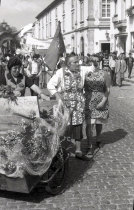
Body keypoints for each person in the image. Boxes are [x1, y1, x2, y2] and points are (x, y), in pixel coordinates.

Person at [47, 54, 93, 160]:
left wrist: (92, 62)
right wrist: (58, 97)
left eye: (78, 61)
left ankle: (78, 151)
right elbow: (50, 85)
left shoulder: (82, 70)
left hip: (78, 104)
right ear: (68, 64)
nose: (78, 64)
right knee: (64, 126)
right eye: (75, 62)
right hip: (64, 104)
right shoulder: (61, 72)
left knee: (78, 126)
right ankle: (61, 150)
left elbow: (92, 68)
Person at [84, 58, 111, 157]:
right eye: (92, 62)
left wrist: (103, 101)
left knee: (99, 121)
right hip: (88, 101)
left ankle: (98, 138)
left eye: (96, 62)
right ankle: (89, 145)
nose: (94, 64)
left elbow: (108, 90)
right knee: (89, 124)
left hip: (101, 100)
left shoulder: (105, 74)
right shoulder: (86, 73)